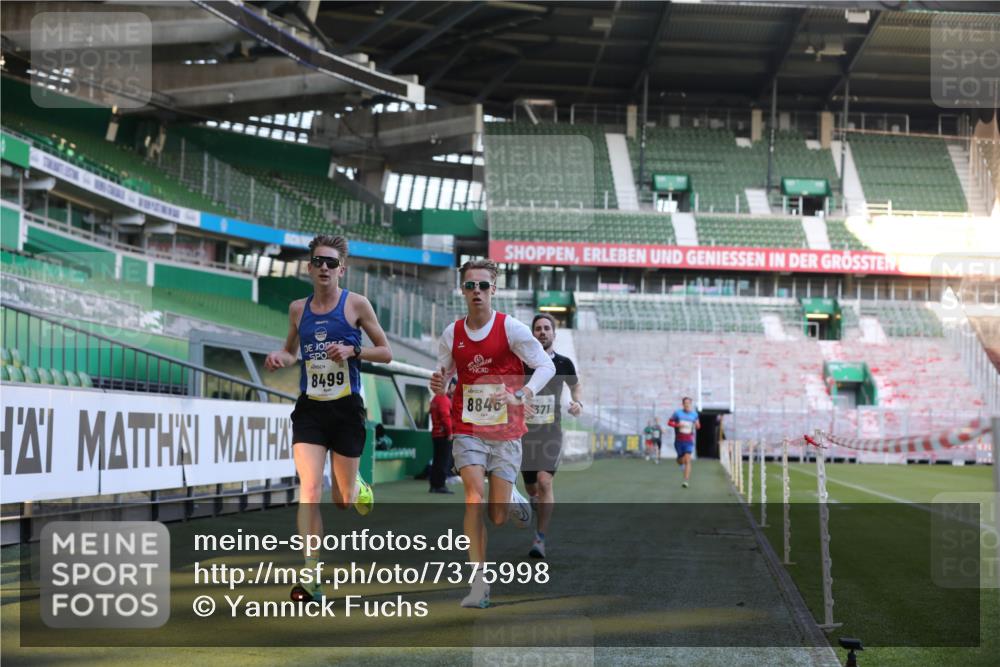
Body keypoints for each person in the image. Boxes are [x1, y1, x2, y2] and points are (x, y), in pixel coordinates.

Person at [265, 235, 392, 602]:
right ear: (309, 267)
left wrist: (354, 350)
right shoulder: (297, 309)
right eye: (318, 261)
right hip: (310, 409)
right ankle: (311, 575)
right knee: (308, 490)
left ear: (342, 269)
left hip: (346, 408)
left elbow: (385, 351)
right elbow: (292, 353)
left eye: (331, 263)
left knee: (343, 498)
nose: (324, 268)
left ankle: (358, 488)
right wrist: (280, 358)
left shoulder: (356, 304)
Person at [429, 258, 555, 608]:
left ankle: (512, 498)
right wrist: (437, 385)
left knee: (497, 515)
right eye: (471, 286)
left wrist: (521, 395)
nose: (477, 292)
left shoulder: (511, 328)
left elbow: (546, 365)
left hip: (506, 431)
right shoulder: (452, 333)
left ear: (493, 290)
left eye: (483, 286)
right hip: (467, 427)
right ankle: (479, 585)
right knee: (473, 496)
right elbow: (442, 381)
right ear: (462, 290)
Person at [521, 313, 582, 560]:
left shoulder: (564, 363)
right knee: (532, 486)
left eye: (547, 328)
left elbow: (575, 385)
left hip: (551, 433)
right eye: (538, 329)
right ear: (532, 334)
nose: (543, 332)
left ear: (554, 334)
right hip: (524, 434)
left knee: (545, 482)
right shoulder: (521, 362)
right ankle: (534, 498)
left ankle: (540, 539)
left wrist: (578, 402)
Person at [429, 378, 456, 494]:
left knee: (437, 460)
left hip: (436, 433)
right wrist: (450, 433)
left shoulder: (435, 399)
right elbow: (446, 417)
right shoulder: (443, 399)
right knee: (443, 461)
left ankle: (434, 485)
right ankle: (440, 485)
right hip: (443, 434)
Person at [667, 397, 701, 488]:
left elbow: (698, 426)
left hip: (689, 440)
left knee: (688, 459)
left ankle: (686, 480)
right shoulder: (677, 413)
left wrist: (697, 425)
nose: (687, 404)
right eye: (685, 403)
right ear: (683, 404)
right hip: (679, 440)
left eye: (688, 403)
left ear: (691, 404)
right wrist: (677, 425)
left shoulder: (694, 414)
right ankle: (680, 463)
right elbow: (669, 423)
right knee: (680, 460)